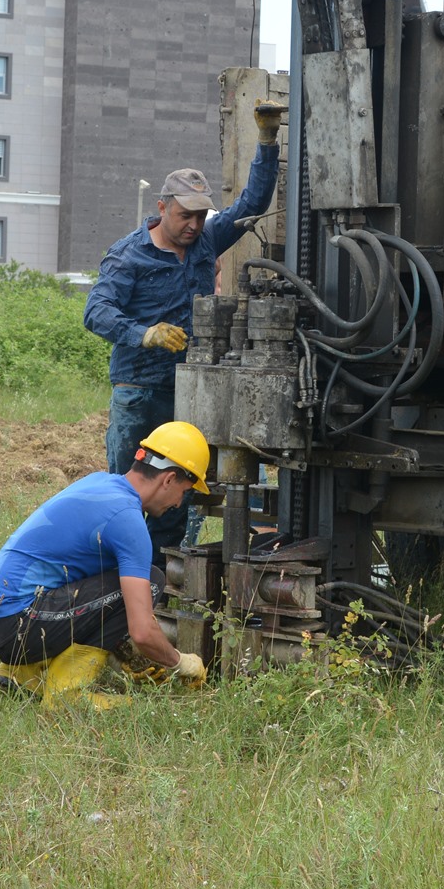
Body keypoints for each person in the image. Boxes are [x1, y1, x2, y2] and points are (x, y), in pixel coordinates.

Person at [84, 101, 284, 561]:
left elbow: (252, 204)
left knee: (178, 490)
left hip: (188, 390)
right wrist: (144, 333)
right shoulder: (128, 256)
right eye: (184, 216)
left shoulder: (208, 239)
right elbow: (96, 312)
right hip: (139, 389)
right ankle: (121, 576)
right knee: (131, 491)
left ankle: (167, 573)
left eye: (200, 216)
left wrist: (267, 143)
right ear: (162, 207)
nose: (194, 226)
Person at [0, 421, 213, 708]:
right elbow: (142, 630)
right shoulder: (127, 520)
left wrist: (119, 651)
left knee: (119, 579)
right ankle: (66, 694)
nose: (179, 504)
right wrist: (181, 662)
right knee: (151, 580)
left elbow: (90, 583)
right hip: (17, 628)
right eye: (184, 492)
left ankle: (20, 675)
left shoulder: (99, 483)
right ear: (168, 479)